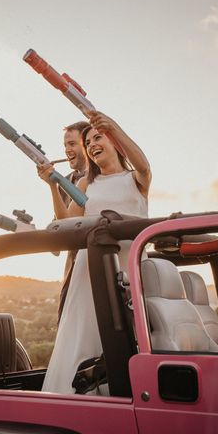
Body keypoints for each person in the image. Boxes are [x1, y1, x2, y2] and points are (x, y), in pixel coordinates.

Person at [38, 111, 151, 394]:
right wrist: (52, 186)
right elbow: (66, 225)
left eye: (98, 137)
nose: (91, 144)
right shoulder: (86, 185)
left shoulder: (136, 178)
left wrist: (113, 126)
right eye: (88, 141)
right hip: (90, 273)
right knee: (84, 337)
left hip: (132, 269)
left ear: (115, 142)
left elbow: (144, 163)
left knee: (136, 337)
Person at [57, 121, 89, 322]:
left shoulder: (105, 177)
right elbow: (60, 224)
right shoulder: (64, 181)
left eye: (72, 144)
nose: (68, 149)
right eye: (65, 146)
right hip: (73, 267)